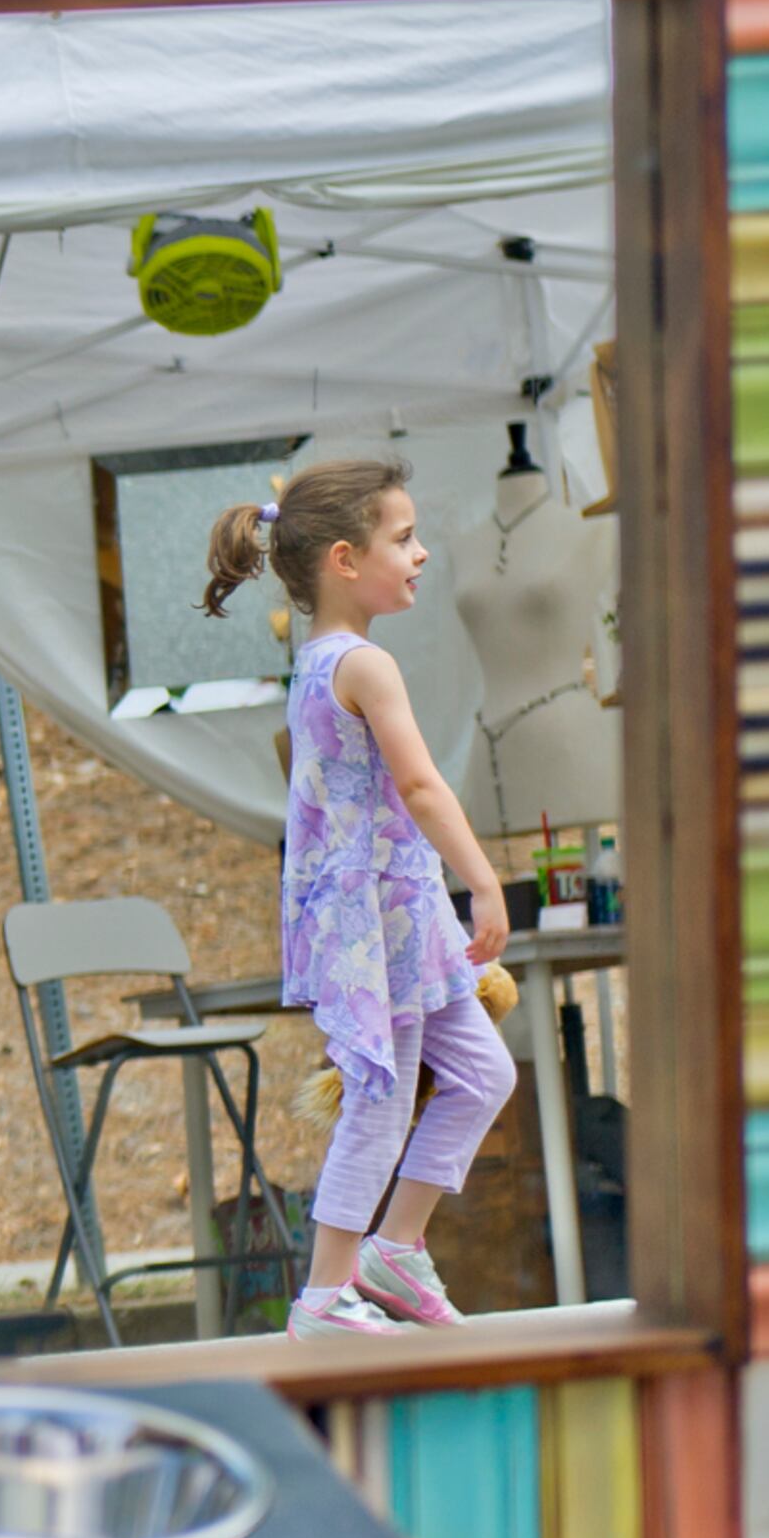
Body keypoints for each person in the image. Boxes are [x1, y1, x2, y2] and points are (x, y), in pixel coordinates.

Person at [203, 456, 518, 1342]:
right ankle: (323, 1297)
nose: (419, 554)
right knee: (379, 1100)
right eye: (404, 538)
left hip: (398, 914)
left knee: (485, 1074)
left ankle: (396, 1250)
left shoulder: (315, 664)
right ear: (346, 559)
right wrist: (484, 879)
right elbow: (419, 787)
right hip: (380, 919)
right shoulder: (364, 666)